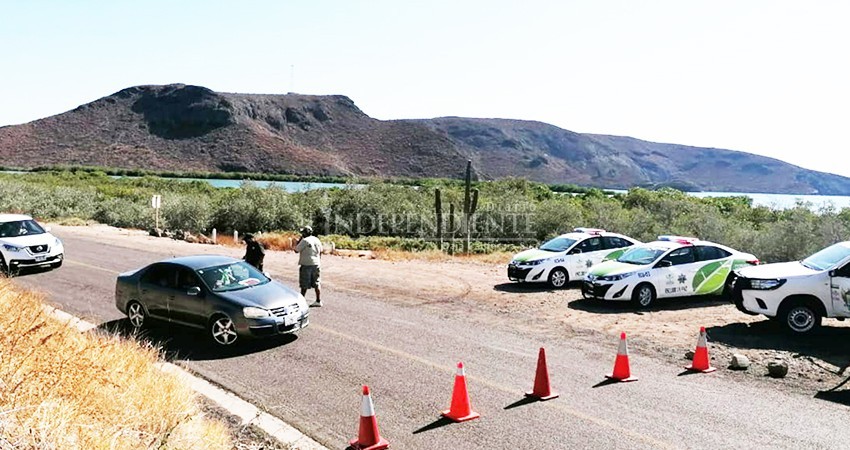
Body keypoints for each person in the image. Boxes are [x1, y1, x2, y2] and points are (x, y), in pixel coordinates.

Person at [294, 225, 323, 306]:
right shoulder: (316, 239)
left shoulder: (305, 241)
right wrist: (318, 260)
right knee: (317, 282)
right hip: (316, 263)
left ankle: (302, 301)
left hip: (306, 264)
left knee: (304, 284)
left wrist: (299, 240)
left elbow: (296, 250)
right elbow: (321, 251)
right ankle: (318, 300)